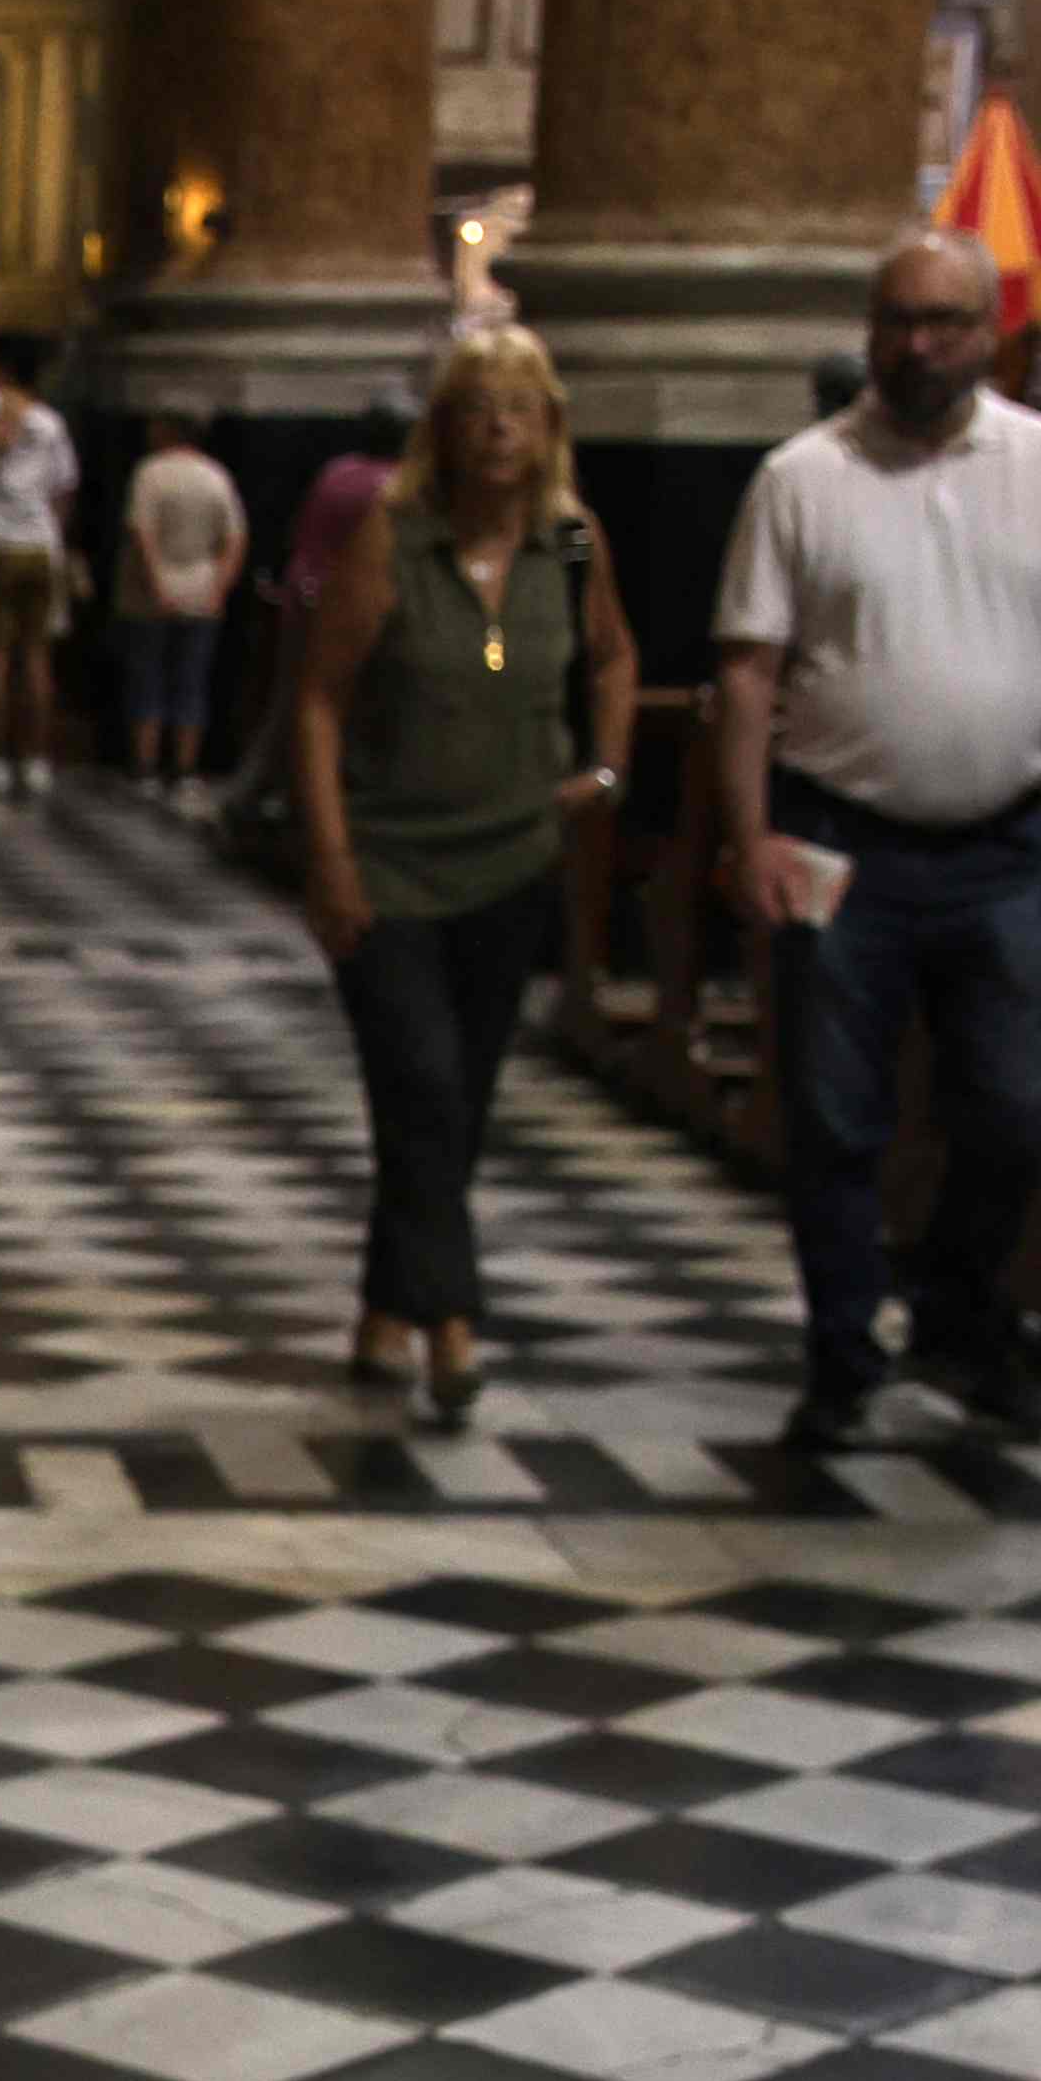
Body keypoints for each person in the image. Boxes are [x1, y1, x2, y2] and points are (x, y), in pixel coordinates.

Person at [708, 232, 1041, 1454]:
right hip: (838, 837)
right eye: (894, 320)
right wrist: (749, 836)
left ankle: (957, 1319)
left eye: (942, 321)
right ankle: (842, 1353)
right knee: (834, 1114)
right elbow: (746, 670)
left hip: (1000, 843)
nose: (914, 344)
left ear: (987, 329)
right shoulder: (802, 475)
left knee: (1009, 1105)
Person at [287, 330, 632, 1417]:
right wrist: (329, 857)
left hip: (511, 860)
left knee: (456, 1099)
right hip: (389, 866)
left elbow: (614, 653)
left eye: (518, 410)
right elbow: (317, 699)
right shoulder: (392, 541)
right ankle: (453, 1322)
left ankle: (388, 1305)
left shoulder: (570, 542)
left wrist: (607, 766)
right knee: (422, 1081)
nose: (497, 429)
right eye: (478, 407)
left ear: (547, 430)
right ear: (444, 426)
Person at [0, 345, 81, 793]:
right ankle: (34, 760)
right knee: (36, 657)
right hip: (40, 546)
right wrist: (55, 537)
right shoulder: (52, 424)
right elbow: (64, 488)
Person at [117, 418, 248, 787]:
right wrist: (220, 587)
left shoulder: (151, 473)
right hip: (202, 590)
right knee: (191, 681)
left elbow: (142, 532)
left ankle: (145, 765)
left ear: (167, 430)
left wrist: (155, 583)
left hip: (151, 594)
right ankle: (185, 767)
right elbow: (236, 537)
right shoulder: (215, 476)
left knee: (147, 678)